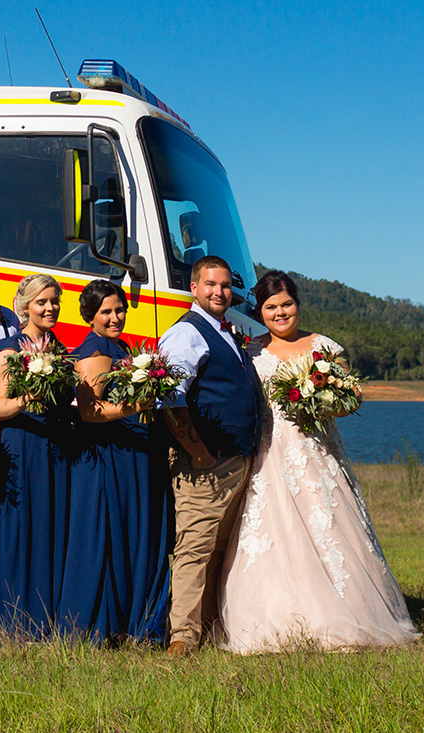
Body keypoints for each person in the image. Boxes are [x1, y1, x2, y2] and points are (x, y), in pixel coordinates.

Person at [216, 271, 419, 652]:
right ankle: (273, 620)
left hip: (318, 451)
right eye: (271, 307)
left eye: (287, 304)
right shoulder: (250, 352)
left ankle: (350, 616)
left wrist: (321, 400)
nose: (280, 313)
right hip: (270, 455)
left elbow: (352, 398)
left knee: (332, 528)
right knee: (275, 534)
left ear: (298, 304)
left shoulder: (323, 346)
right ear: (260, 311)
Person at [156, 255, 263, 655]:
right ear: (194, 288)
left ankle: (208, 628)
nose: (219, 292)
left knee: (220, 547)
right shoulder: (187, 333)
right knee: (195, 547)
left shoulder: (225, 331)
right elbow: (169, 398)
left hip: (234, 458)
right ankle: (182, 637)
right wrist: (197, 451)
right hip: (205, 463)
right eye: (210, 285)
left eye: (224, 285)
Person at [63, 279, 174, 643]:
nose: (115, 317)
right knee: (114, 534)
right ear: (90, 316)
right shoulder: (95, 350)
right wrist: (137, 405)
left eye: (119, 310)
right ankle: (111, 623)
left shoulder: (120, 346)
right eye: (106, 312)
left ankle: (138, 617)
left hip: (135, 455)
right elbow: (89, 411)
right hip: (112, 456)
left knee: (136, 532)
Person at [0, 272, 74, 635]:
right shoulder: (8, 351)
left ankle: (49, 615)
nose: (50, 308)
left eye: (54, 301)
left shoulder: (62, 351)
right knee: (20, 528)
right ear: (25, 307)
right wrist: (31, 396)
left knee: (53, 523)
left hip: (56, 445)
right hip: (22, 446)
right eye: (42, 302)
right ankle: (12, 619)